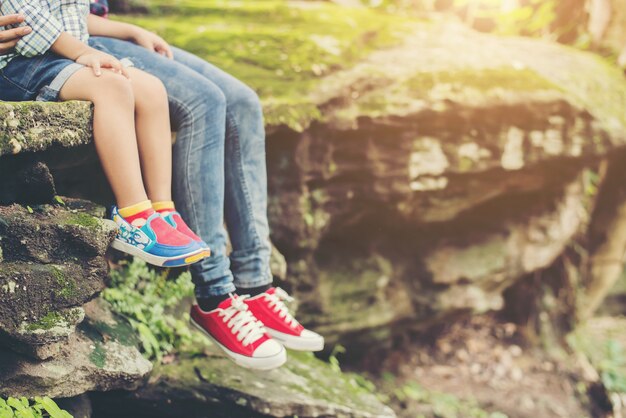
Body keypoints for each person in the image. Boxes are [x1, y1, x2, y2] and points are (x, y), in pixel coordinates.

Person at [1, 0, 324, 370]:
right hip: (50, 50)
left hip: (78, 34)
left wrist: (126, 28)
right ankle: (216, 296)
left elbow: (69, 12)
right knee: (204, 101)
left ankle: (254, 285)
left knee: (244, 102)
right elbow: (31, 15)